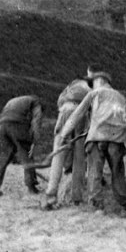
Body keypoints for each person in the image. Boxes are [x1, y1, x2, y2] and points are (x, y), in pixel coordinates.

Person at [60, 71, 126, 214]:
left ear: (99, 81)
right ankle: (125, 207)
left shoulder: (94, 94)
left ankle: (96, 206)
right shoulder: (121, 97)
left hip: (97, 137)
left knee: (94, 172)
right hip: (116, 139)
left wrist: (64, 133)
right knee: (118, 172)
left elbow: (78, 114)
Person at [42, 78, 91, 210]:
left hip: (65, 110)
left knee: (58, 157)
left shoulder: (71, 86)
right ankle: (77, 198)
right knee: (79, 158)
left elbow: (60, 102)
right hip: (83, 115)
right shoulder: (90, 88)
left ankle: (51, 196)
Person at [0, 95, 42, 196]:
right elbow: (36, 121)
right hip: (17, 124)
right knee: (27, 156)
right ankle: (31, 186)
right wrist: (34, 142)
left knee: (1, 157)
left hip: (2, 126)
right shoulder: (36, 103)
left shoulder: (16, 100)